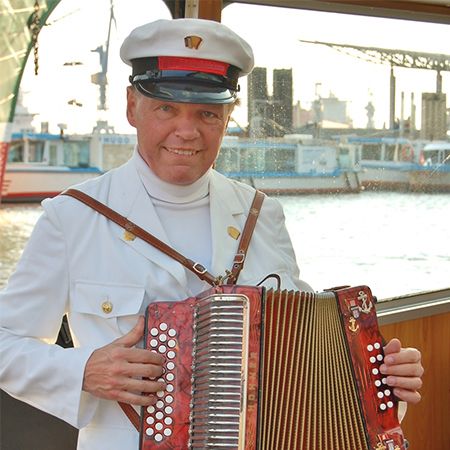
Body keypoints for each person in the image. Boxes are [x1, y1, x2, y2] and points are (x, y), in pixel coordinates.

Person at [0, 18, 423, 450]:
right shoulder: (73, 217)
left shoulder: (263, 215)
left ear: (227, 117)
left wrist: (380, 379)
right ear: (132, 107)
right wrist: (83, 369)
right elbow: (5, 343)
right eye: (166, 108)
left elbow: (305, 358)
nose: (187, 131)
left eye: (206, 113)